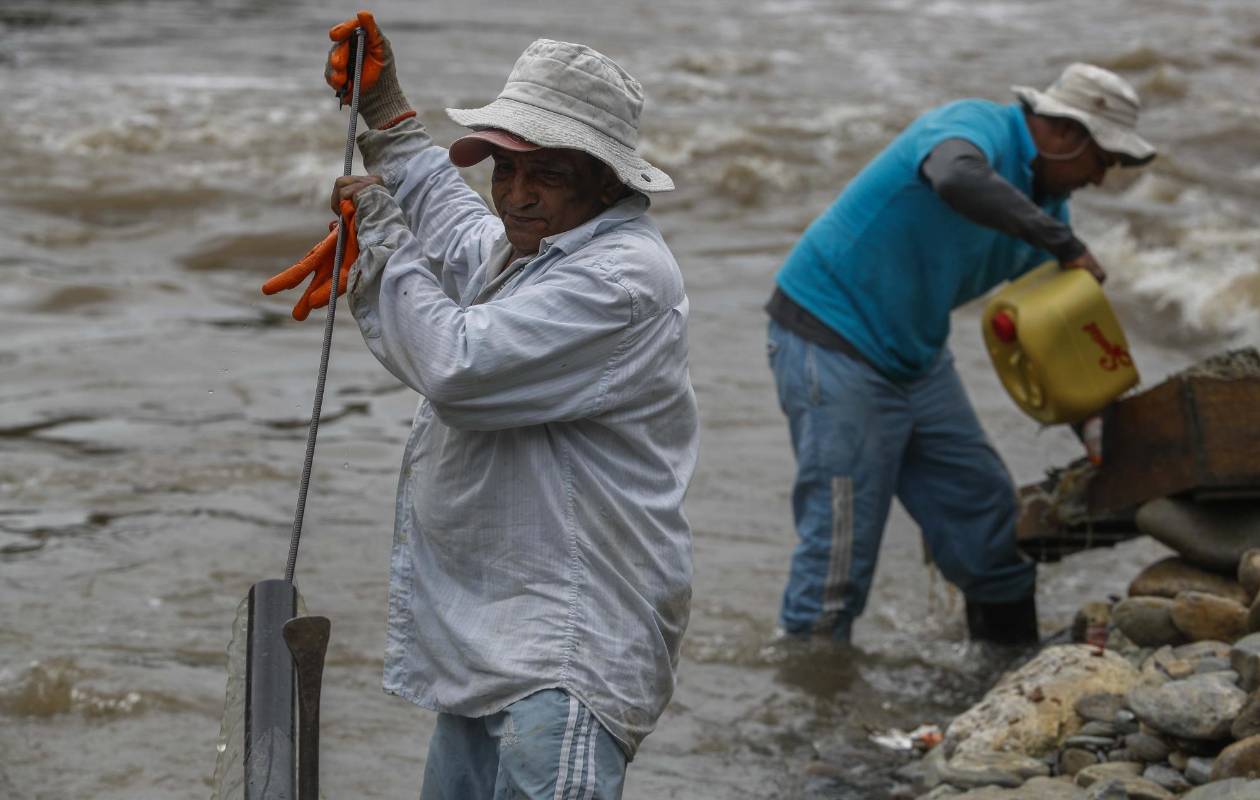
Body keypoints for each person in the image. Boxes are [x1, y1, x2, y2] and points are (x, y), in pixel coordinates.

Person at [264, 13, 698, 799]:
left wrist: (382, 252)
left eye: (547, 175)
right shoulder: (536, 248)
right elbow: (460, 236)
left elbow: (460, 367)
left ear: (605, 181)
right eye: (504, 169)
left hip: (569, 649)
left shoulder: (621, 278)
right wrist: (389, 116)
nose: (516, 195)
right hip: (500, 639)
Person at [764, 63, 1156, 646]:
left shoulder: (1048, 214)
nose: (1101, 178)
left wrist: (1100, 430)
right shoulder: (976, 126)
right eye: (1103, 160)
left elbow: (1064, 341)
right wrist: (1064, 244)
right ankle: (810, 713)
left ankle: (1005, 678)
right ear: (1067, 133)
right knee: (838, 558)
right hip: (830, 336)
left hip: (915, 358)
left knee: (989, 528)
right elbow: (954, 177)